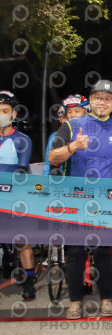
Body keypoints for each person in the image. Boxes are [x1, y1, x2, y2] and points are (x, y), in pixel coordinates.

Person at [49, 80, 112, 319]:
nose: (102, 102)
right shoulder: (71, 125)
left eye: (107, 98)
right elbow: (53, 158)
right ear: (90, 100)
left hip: (105, 199)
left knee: (105, 252)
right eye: (97, 97)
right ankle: (75, 303)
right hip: (76, 198)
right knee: (76, 252)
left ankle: (106, 300)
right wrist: (73, 147)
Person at [0, 91, 35, 301]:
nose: (0, 114)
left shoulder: (22, 140)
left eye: (5, 111)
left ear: (14, 114)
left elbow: (22, 171)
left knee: (22, 241)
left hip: (13, 197)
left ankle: (29, 282)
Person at [43, 95, 88, 176]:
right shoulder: (58, 135)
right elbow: (50, 164)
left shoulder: (96, 131)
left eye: (77, 111)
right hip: (68, 179)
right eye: (69, 112)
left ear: (86, 112)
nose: (73, 115)